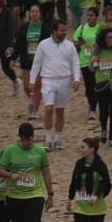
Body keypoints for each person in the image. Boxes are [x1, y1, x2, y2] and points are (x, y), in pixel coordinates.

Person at [26, 21, 81, 150]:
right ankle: (48, 137)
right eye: (61, 30)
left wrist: (77, 78)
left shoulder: (69, 46)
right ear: (54, 31)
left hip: (64, 80)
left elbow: (75, 62)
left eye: (65, 30)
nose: (64, 33)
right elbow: (37, 63)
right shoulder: (43, 45)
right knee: (49, 108)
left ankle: (58, 137)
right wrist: (32, 81)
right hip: (48, 80)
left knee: (60, 110)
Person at [67, 139, 111, 222]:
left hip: (97, 207)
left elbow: (106, 184)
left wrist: (97, 195)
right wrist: (70, 199)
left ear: (92, 149)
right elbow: (74, 181)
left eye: (83, 147)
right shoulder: (79, 164)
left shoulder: (100, 165)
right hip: (80, 205)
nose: (81, 149)